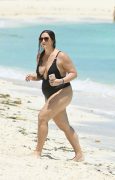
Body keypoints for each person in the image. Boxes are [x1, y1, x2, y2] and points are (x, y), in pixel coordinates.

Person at [25, 30, 84, 162]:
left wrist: (60, 81)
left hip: (63, 92)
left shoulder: (61, 56)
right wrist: (32, 77)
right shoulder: (40, 56)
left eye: (46, 39)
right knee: (64, 126)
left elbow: (73, 73)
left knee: (42, 117)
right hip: (50, 95)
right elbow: (42, 76)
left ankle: (37, 152)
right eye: (41, 39)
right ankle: (79, 155)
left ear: (52, 40)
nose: (43, 41)